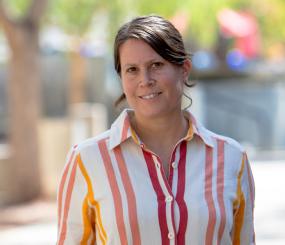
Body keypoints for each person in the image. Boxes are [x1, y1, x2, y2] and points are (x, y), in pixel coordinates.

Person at [57, 15, 255, 245]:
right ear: (122, 78)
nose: (145, 80)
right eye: (132, 69)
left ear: (184, 69)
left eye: (156, 65)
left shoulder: (231, 158)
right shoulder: (87, 160)